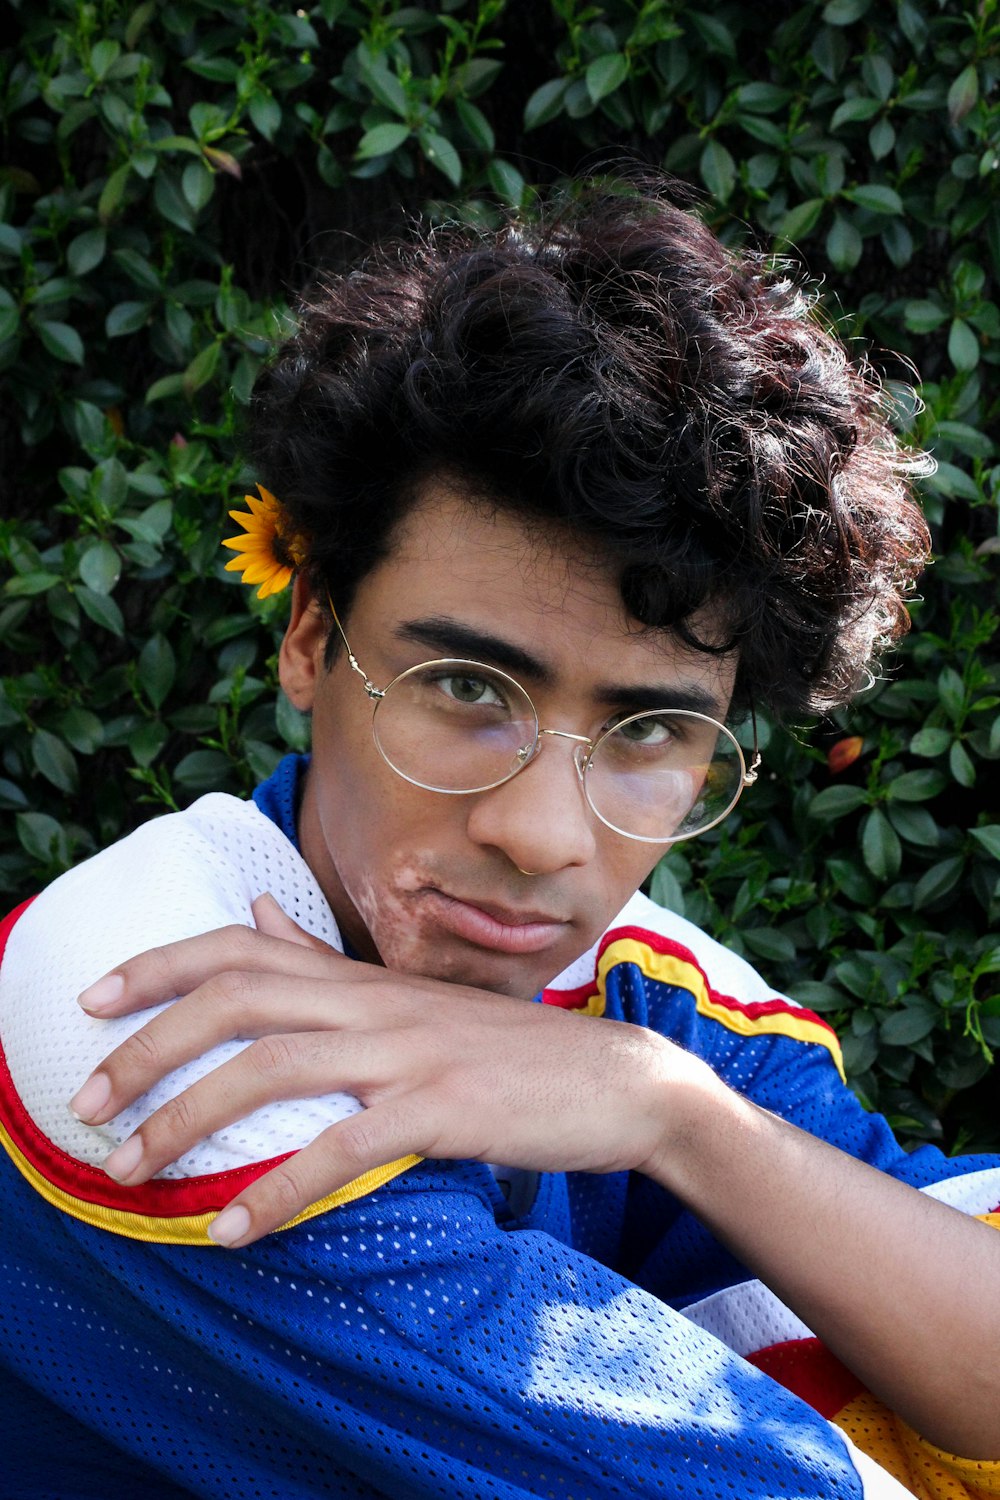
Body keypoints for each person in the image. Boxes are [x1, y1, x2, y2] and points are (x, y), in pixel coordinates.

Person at [2, 185, 999, 1500]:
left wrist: (672, 1112)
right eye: (470, 692)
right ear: (311, 638)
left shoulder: (645, 997)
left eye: (649, 731)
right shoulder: (147, 1028)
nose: (539, 837)